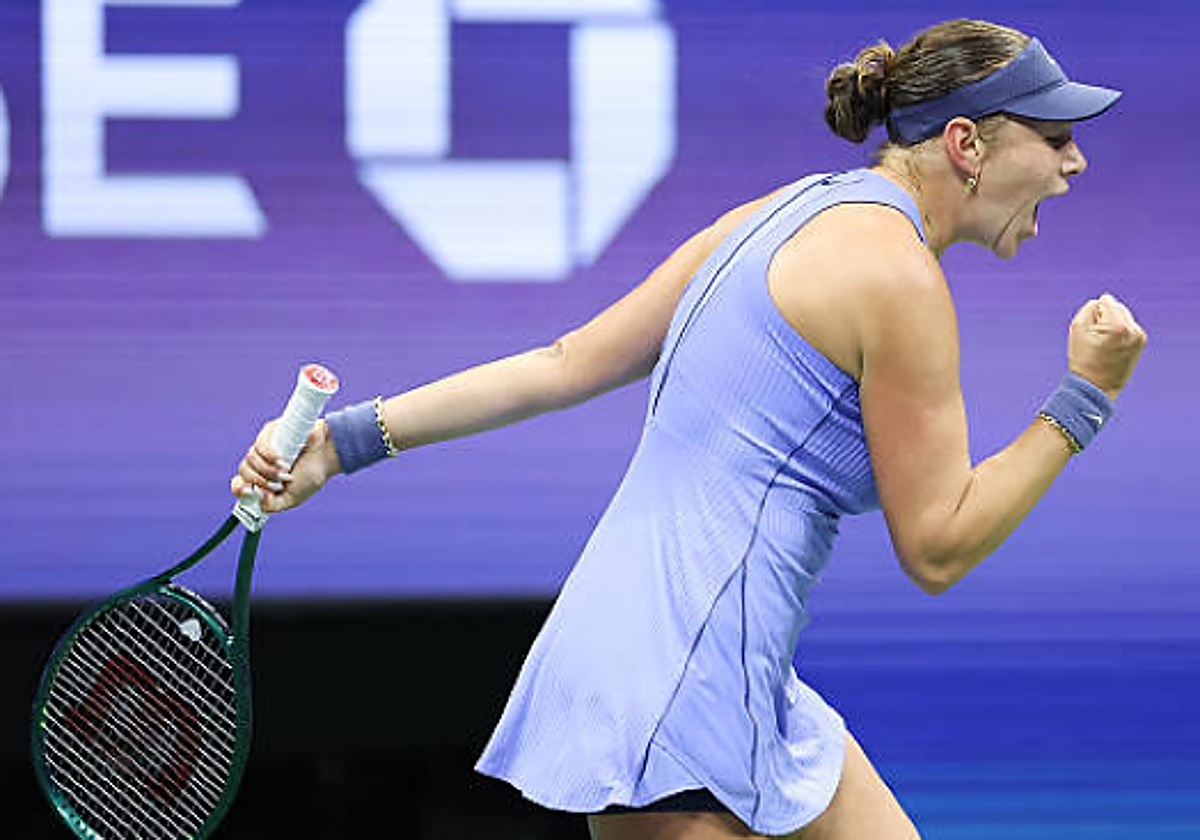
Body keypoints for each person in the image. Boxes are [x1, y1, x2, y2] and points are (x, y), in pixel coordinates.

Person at [232, 19, 1147, 840]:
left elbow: (562, 362)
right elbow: (939, 546)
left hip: (678, 665)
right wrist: (1084, 398)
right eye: (1054, 137)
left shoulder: (780, 211)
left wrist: (342, 443)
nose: (1075, 163)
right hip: (680, 693)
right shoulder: (898, 277)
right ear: (965, 144)